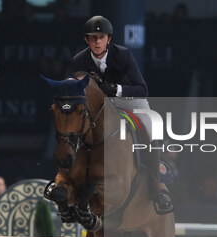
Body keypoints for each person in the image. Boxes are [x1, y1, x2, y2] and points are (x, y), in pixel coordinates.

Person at [70, 15, 172, 214]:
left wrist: (115, 89)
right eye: (92, 38)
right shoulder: (79, 61)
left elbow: (142, 89)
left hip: (128, 100)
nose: (97, 42)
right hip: (99, 106)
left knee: (150, 125)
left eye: (101, 37)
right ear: (86, 40)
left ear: (109, 39)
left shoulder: (123, 55)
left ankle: (156, 182)